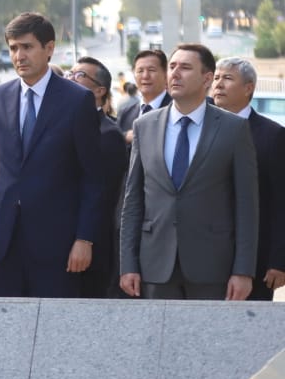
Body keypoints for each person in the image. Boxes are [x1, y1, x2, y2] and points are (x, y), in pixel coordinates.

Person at [0, 13, 103, 298]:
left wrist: (84, 238)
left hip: (57, 244)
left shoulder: (77, 100)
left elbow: (92, 179)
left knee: (54, 332)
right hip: (2, 242)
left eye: (27, 47)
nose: (19, 55)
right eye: (14, 48)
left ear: (49, 48)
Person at [120, 44, 257, 301]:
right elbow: (133, 201)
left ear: (207, 78)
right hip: (155, 266)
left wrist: (243, 270)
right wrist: (128, 264)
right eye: (172, 67)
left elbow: (247, 206)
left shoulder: (233, 129)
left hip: (213, 267)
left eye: (185, 67)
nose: (175, 73)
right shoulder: (144, 126)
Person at [213, 56, 285, 301]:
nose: (219, 84)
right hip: (204, 257)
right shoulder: (200, 130)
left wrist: (279, 260)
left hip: (255, 259)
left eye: (228, 78)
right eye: (216, 78)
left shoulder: (272, 136)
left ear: (248, 87)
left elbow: (280, 201)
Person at [69, 56, 130, 298]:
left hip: (89, 248)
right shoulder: (66, 123)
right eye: (70, 73)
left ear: (100, 90)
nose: (70, 79)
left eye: (80, 75)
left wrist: (86, 239)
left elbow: (105, 198)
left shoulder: (107, 134)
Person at [116, 49, 169, 144]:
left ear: (166, 74)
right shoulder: (125, 113)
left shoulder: (177, 110)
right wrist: (124, 137)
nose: (145, 76)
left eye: (151, 70)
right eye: (140, 71)